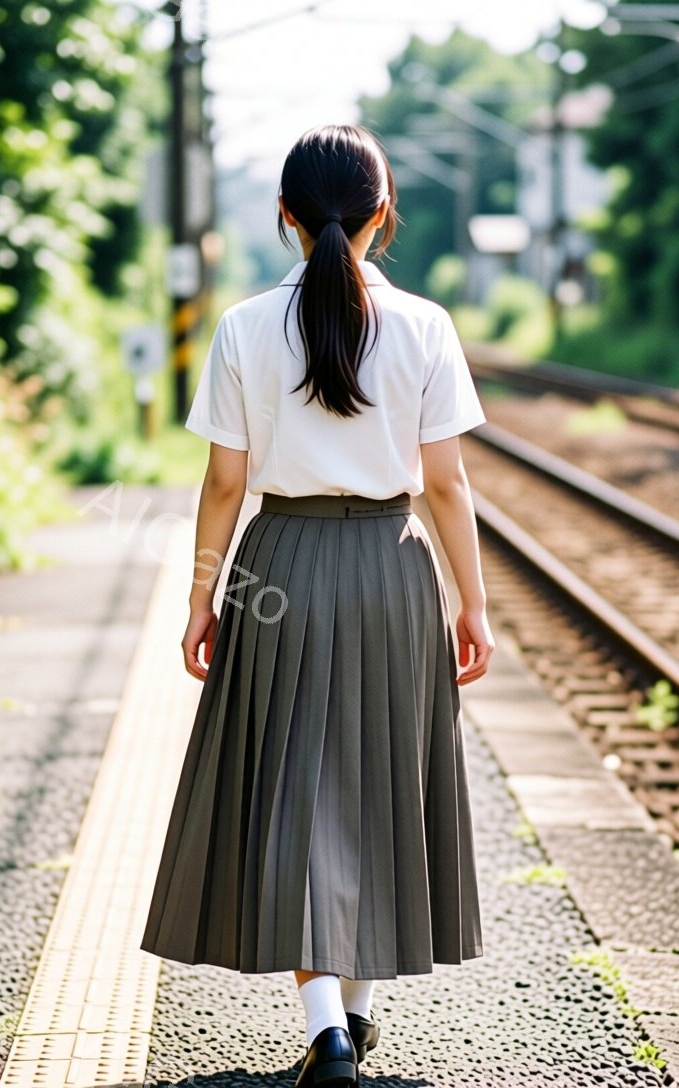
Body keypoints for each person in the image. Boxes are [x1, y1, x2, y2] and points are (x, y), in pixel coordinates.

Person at [139, 123, 494, 1088]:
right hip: (392, 567)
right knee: (385, 783)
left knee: (297, 790)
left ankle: (330, 1027)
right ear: (384, 214)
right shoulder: (425, 325)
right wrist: (473, 603)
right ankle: (358, 1014)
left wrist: (202, 597)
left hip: (280, 567)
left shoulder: (245, 326)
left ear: (284, 216)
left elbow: (224, 483)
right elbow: (447, 484)